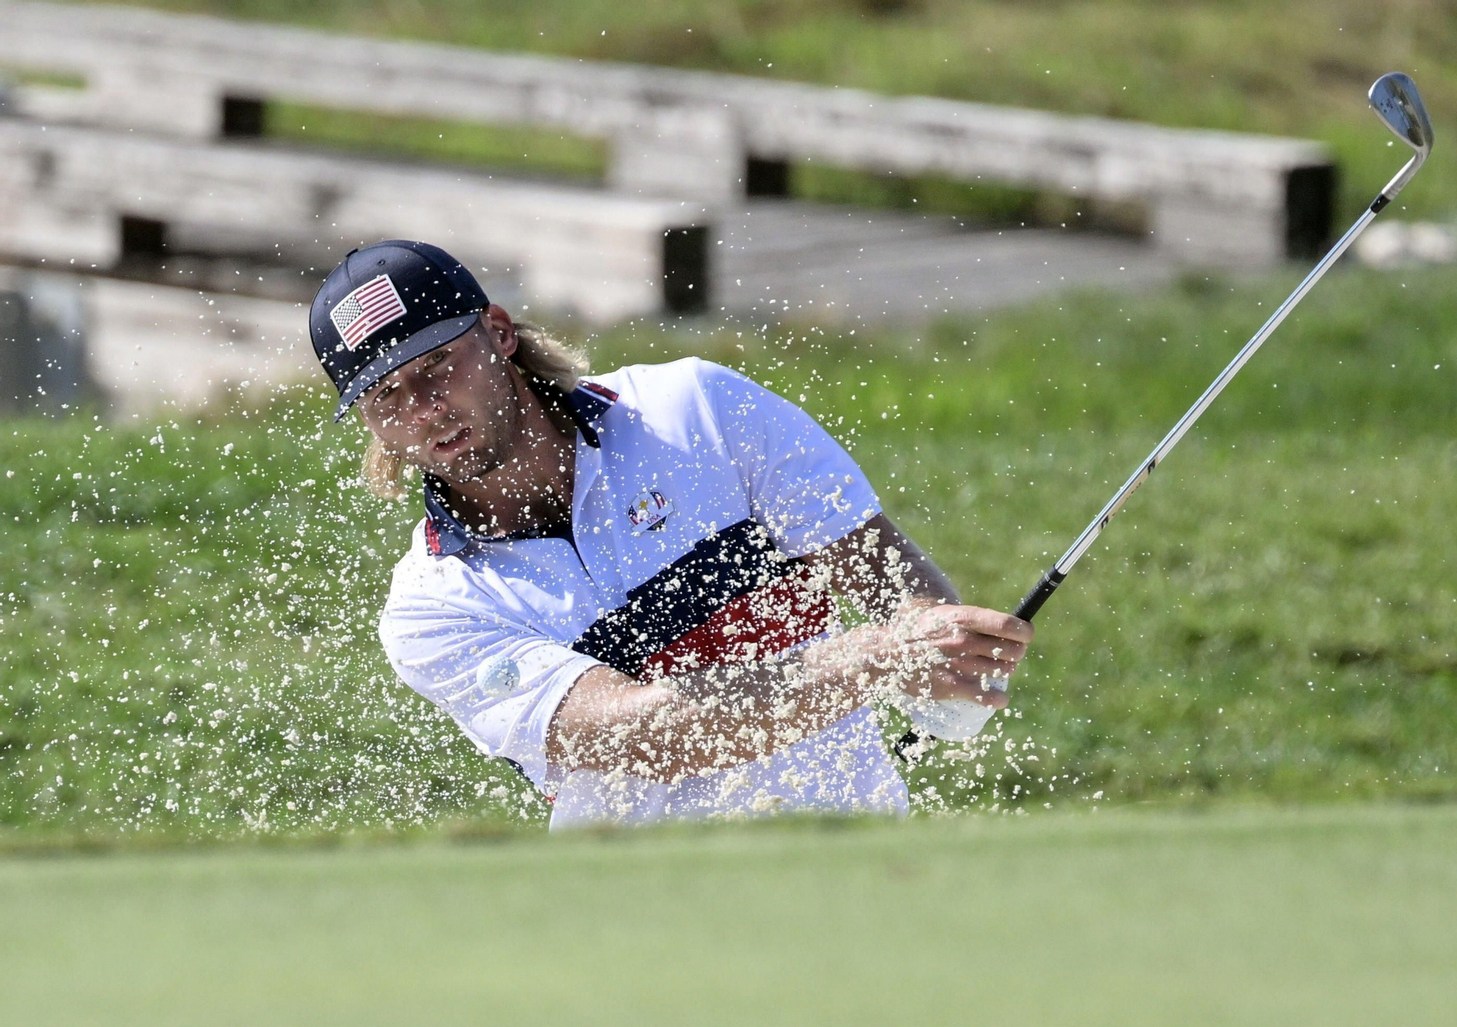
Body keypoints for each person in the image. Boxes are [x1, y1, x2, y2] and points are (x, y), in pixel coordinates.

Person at [309, 241, 1034, 828]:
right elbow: (641, 733)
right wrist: (878, 659)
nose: (426, 408)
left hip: (853, 866)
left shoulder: (696, 409)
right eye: (387, 395)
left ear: (498, 333)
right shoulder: (432, 606)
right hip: (641, 928)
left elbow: (888, 581)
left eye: (438, 365)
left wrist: (947, 662)